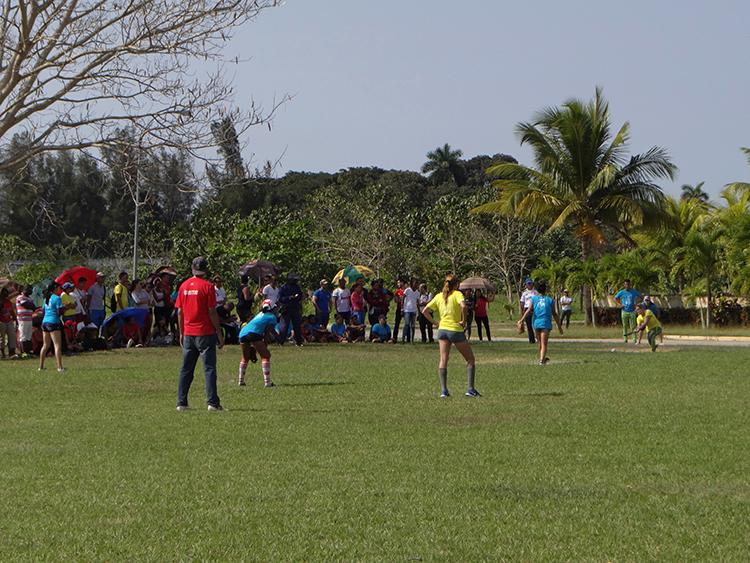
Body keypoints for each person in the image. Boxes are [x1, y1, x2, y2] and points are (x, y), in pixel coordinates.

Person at [175, 256, 224, 412]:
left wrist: (181, 332)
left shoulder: (184, 286)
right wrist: (218, 332)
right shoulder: (208, 286)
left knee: (186, 369)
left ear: (192, 268)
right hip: (205, 332)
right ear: (206, 269)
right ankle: (212, 403)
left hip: (189, 332)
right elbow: (211, 311)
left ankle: (181, 402)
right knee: (209, 368)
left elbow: (180, 311)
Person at [421, 274, 480, 398]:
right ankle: (470, 389)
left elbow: (424, 311)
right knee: (470, 359)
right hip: (455, 330)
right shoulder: (457, 294)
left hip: (442, 330)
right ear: (457, 284)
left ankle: (444, 391)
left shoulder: (438, 296)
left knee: (443, 360)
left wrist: (435, 323)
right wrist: (464, 321)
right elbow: (463, 306)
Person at [517, 279, 563, 365]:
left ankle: (542, 358)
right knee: (544, 344)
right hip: (545, 323)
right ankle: (542, 361)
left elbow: (528, 310)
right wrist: (559, 327)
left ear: (537, 289)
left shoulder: (534, 299)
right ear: (545, 289)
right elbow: (554, 314)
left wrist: (521, 320)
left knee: (540, 343)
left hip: (536, 323)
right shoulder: (550, 300)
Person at [238, 299, 278, 387]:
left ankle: (241, 381)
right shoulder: (271, 317)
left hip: (242, 333)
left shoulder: (259, 314)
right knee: (266, 356)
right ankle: (267, 382)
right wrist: (278, 336)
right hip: (254, 334)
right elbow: (269, 331)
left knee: (245, 357)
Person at [39, 282, 65, 372]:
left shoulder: (46, 298)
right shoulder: (57, 298)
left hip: (45, 322)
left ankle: (41, 367)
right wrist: (65, 308)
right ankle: (60, 367)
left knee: (45, 345)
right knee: (57, 345)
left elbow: (43, 311)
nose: (60, 289)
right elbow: (59, 312)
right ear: (55, 288)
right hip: (54, 322)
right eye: (58, 287)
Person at [277, 273, 305, 346]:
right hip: (286, 308)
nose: (295, 281)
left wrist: (298, 297)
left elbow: (300, 296)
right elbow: (280, 299)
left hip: (295, 307)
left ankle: (299, 342)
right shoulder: (284, 287)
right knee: (284, 326)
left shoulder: (297, 287)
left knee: (297, 325)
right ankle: (281, 341)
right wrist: (290, 297)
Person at [615, 279, 641, 344]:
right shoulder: (622, 292)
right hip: (624, 311)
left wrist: (636, 304)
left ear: (630, 285)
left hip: (632, 311)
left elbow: (641, 297)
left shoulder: (633, 291)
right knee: (625, 326)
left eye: (628, 284)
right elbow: (615, 298)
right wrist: (620, 304)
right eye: (626, 284)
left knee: (633, 326)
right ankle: (625, 339)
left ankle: (634, 339)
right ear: (624, 285)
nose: (627, 286)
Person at [131, 279, 153, 344]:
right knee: (141, 327)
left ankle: (147, 340)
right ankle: (140, 340)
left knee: (148, 326)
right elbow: (137, 302)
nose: (141, 285)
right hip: (139, 312)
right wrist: (145, 301)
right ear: (136, 285)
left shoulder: (143, 291)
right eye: (140, 284)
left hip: (146, 311)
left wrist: (144, 301)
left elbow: (150, 299)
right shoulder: (134, 293)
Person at [16, 285, 35, 356]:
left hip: (29, 318)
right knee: (23, 335)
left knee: (28, 335)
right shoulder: (20, 297)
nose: (31, 291)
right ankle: (23, 352)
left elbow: (33, 306)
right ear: (24, 290)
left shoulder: (30, 298)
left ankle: (28, 351)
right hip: (22, 319)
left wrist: (32, 306)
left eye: (31, 289)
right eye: (29, 289)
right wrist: (32, 305)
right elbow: (26, 304)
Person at [520, 278, 538, 344]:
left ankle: (538, 338)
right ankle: (531, 340)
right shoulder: (524, 293)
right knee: (529, 326)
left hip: (534, 309)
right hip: (527, 309)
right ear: (526, 284)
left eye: (531, 283)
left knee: (536, 325)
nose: (530, 285)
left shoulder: (535, 292)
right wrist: (522, 311)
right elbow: (522, 303)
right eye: (528, 283)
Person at [0, 289, 17, 359]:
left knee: (12, 336)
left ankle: (12, 352)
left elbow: (12, 311)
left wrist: (15, 319)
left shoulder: (8, 302)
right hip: (1, 321)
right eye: (4, 293)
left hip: (9, 321)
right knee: (2, 338)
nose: (6, 295)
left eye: (7, 293)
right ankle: (3, 354)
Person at [401, 278, 419, 343]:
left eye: (417, 283)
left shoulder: (417, 292)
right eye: (415, 283)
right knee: (407, 324)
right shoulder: (407, 290)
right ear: (412, 283)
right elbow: (403, 299)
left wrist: (419, 312)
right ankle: (403, 338)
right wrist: (402, 308)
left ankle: (412, 340)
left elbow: (417, 302)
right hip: (407, 310)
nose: (416, 284)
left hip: (414, 311)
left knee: (413, 326)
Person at [391, 278, 406, 343]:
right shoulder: (397, 291)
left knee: (407, 324)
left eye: (399, 282)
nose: (398, 284)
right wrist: (396, 298)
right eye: (397, 283)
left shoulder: (407, 290)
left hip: (406, 309)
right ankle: (394, 338)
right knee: (397, 324)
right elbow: (396, 300)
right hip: (399, 309)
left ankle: (407, 338)